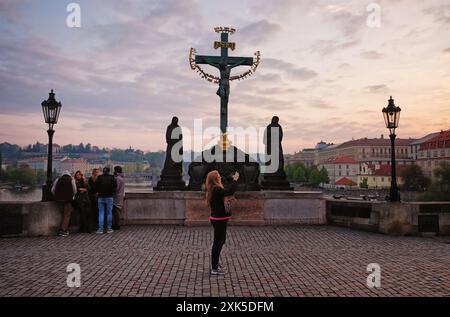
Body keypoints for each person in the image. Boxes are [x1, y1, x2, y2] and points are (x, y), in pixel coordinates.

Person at [205, 170, 239, 276]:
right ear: (215, 178)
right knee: (218, 243)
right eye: (218, 176)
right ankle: (214, 268)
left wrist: (230, 178)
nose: (220, 177)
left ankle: (215, 264)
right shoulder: (216, 189)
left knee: (220, 241)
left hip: (218, 218)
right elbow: (230, 191)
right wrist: (235, 180)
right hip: (219, 219)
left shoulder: (214, 189)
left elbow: (225, 191)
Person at [52, 170, 77, 237]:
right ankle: (63, 230)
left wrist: (56, 196)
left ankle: (60, 229)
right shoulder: (71, 180)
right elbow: (75, 190)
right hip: (67, 200)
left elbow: (53, 190)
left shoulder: (58, 179)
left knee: (61, 215)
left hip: (59, 200)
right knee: (66, 216)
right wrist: (72, 196)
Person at [94, 167, 117, 234]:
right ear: (109, 171)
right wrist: (112, 193)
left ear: (103, 171)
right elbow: (115, 186)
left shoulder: (99, 177)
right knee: (109, 213)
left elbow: (95, 187)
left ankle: (100, 229)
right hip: (109, 197)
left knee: (101, 213)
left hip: (101, 197)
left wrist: (98, 191)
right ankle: (109, 228)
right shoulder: (112, 177)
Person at [112, 166, 125, 230]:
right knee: (118, 211)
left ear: (116, 171)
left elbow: (116, 188)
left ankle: (117, 225)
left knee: (116, 212)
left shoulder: (117, 178)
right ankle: (117, 224)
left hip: (116, 197)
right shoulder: (122, 178)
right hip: (121, 196)